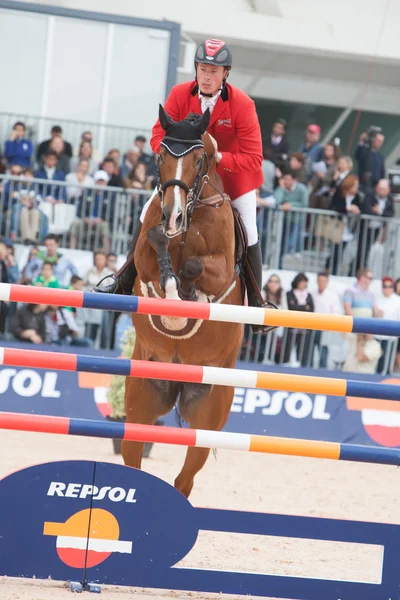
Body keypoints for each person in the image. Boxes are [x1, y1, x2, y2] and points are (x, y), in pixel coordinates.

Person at [95, 38, 270, 332]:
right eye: (203, 69)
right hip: (186, 177)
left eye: (214, 71)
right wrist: (175, 153)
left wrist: (218, 155)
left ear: (225, 73)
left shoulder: (242, 104)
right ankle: (123, 279)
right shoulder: (179, 94)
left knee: (249, 230)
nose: (207, 76)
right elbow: (156, 138)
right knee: (145, 214)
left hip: (232, 180)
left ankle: (256, 302)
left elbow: (254, 159)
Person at [283, 272, 315, 367]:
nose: (303, 284)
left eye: (304, 282)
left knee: (303, 347)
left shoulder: (308, 295)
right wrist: (305, 307)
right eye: (301, 282)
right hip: (291, 325)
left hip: (304, 326)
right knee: (288, 345)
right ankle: (285, 361)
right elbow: (291, 307)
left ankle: (302, 365)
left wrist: (298, 307)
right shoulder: (289, 293)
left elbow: (311, 309)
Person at [312, 272, 341, 368]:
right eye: (319, 280)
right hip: (311, 326)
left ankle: (322, 370)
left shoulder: (332, 295)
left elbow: (336, 311)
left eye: (324, 281)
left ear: (327, 282)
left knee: (323, 350)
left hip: (325, 327)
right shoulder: (312, 294)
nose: (321, 283)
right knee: (309, 350)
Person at [375, 276, 400, 373]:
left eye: (390, 286)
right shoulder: (378, 299)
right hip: (377, 334)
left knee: (388, 361)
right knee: (377, 360)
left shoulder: (398, 300)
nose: (387, 289)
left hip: (391, 335)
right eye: (385, 286)